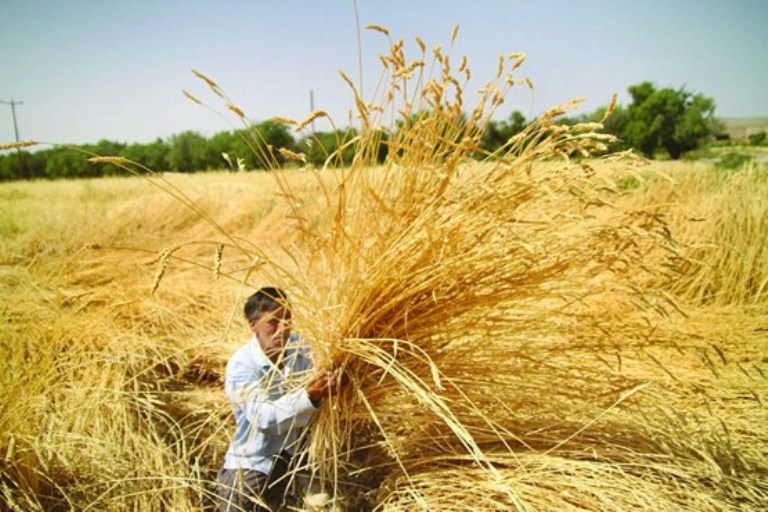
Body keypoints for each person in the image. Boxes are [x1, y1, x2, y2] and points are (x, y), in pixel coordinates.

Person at [215, 287, 335, 511]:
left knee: (326, 503)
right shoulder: (241, 365)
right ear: (254, 326)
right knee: (238, 503)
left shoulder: (303, 347)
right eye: (274, 322)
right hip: (256, 456)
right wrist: (310, 395)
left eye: (287, 319)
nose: (283, 328)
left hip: (301, 454)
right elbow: (264, 419)